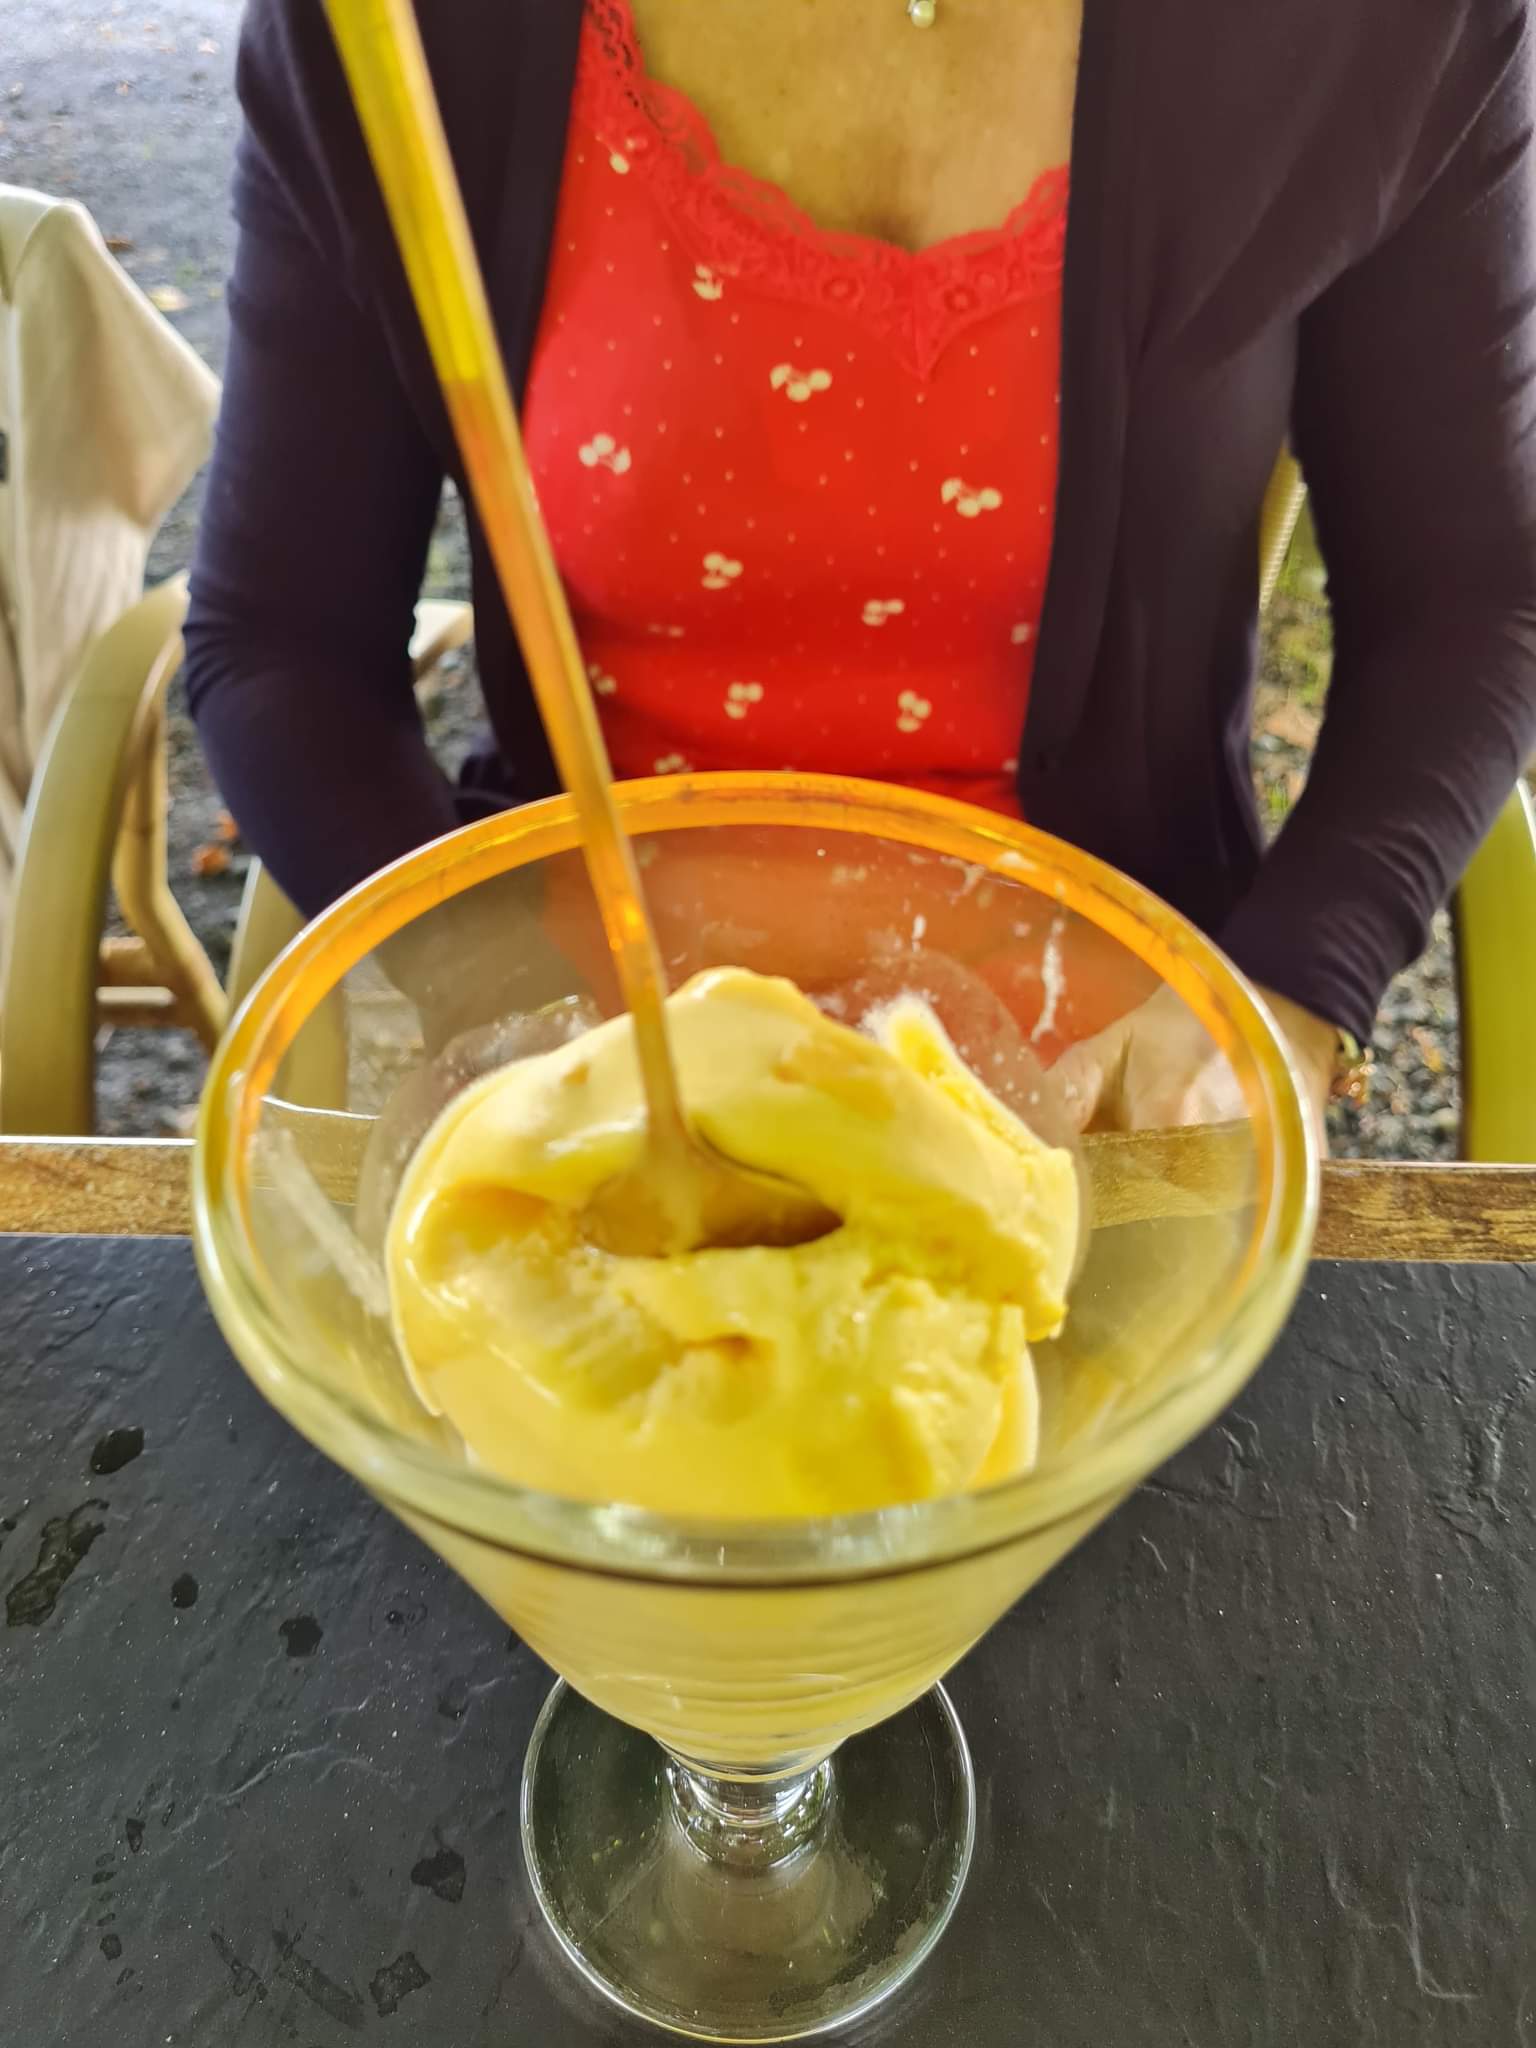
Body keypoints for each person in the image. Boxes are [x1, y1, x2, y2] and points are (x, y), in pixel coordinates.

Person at [184, 0, 1536, 1137]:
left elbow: (1468, 600)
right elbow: (282, 639)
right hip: (581, 1053)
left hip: (1110, 1087)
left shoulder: (1376, 34)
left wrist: (1289, 991)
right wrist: (487, 996)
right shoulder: (398, 33)